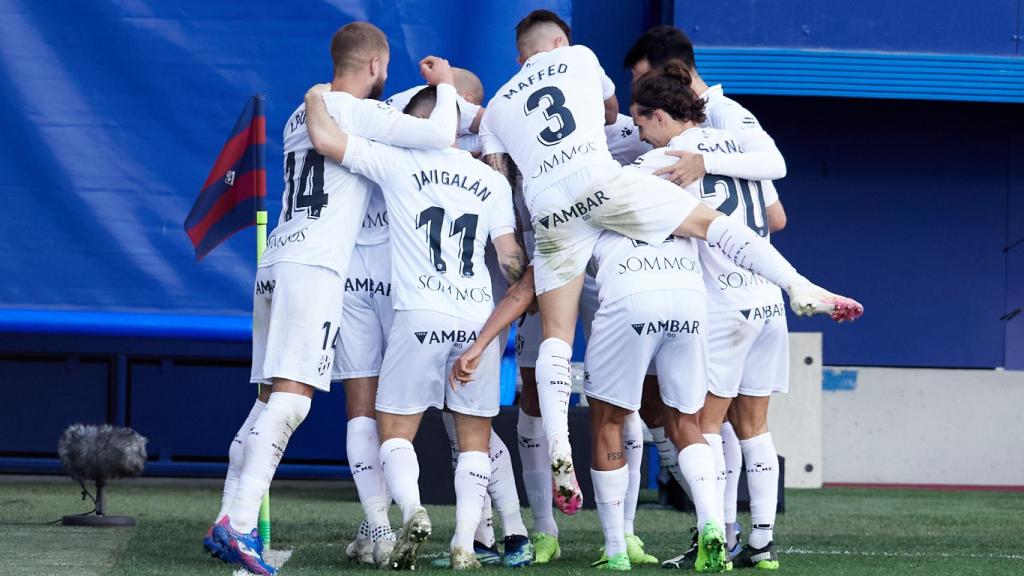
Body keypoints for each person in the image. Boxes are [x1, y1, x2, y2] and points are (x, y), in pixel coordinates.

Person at [479, 8, 862, 527]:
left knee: (556, 336)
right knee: (710, 225)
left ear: (521, 57)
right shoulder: (581, 58)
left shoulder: (501, 103)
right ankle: (798, 286)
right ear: (559, 42)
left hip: (549, 210)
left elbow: (501, 175)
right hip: (607, 191)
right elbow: (611, 113)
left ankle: (559, 445)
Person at [203, 22, 458, 576]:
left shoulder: (306, 110)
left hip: (276, 259)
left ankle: (226, 515)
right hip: (314, 267)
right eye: (384, 67)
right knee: (293, 400)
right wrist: (448, 88)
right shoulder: (356, 111)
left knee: (267, 402)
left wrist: (321, 93)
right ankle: (239, 525)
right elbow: (439, 134)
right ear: (374, 66)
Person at [303, 83, 531, 570]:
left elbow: (324, 139)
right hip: (476, 319)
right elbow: (511, 258)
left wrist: (315, 96)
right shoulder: (489, 181)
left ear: (422, 124)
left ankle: (412, 511)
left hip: (419, 314)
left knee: (394, 432)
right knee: (474, 439)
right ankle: (466, 545)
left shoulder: (399, 162)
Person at [623, 25, 794, 569]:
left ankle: (713, 539)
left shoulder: (671, 156)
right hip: (767, 299)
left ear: (660, 108)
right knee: (754, 426)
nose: (638, 132)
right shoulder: (739, 138)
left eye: (640, 118)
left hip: (722, 300)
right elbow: (776, 215)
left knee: (701, 427)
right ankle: (762, 543)